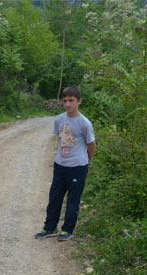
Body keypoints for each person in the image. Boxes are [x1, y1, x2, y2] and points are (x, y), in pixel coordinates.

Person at [35, 86, 96, 242]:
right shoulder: (59, 119)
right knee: (54, 197)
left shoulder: (84, 123)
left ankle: (67, 229)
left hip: (77, 167)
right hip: (60, 164)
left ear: (79, 101)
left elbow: (91, 145)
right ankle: (50, 227)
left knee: (72, 200)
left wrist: (86, 162)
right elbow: (60, 139)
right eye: (65, 101)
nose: (68, 104)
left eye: (71, 100)